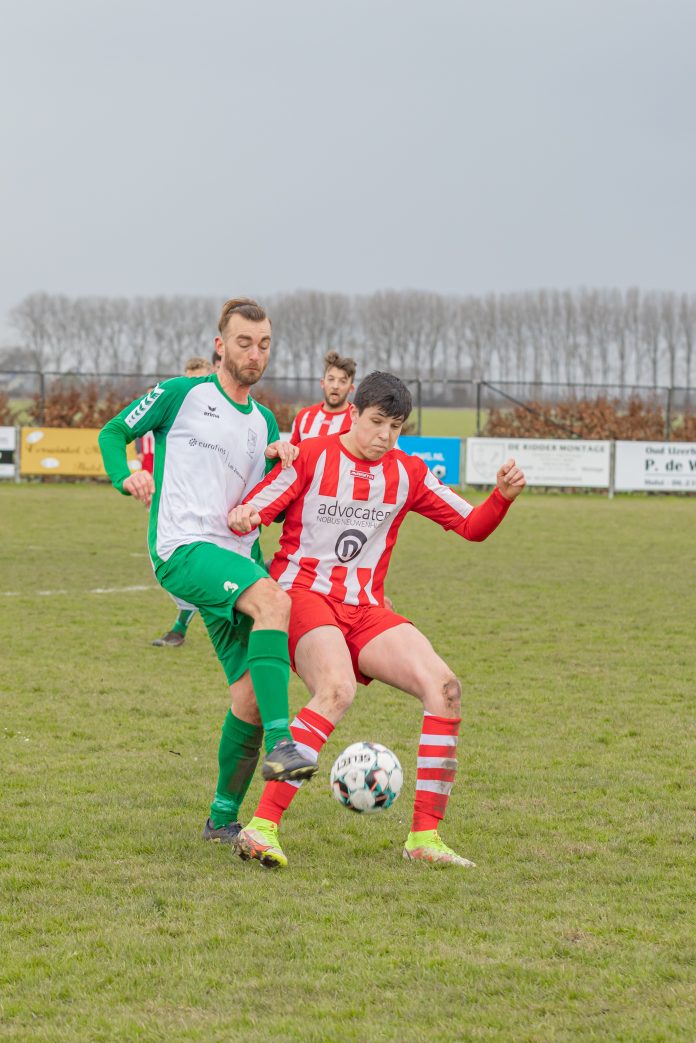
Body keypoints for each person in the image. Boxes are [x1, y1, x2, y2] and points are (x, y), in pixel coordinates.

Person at [227, 371, 526, 869]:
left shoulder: (407, 471)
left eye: (396, 426)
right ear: (354, 413)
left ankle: (424, 840)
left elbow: (472, 526)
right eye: (376, 422)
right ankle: (261, 828)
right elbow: (260, 503)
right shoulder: (313, 455)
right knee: (337, 690)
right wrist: (246, 516)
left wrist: (501, 497)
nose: (385, 436)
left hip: (366, 609)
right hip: (304, 596)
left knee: (446, 689)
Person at [98, 297, 319, 817]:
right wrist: (123, 474)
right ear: (220, 346)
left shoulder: (265, 422)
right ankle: (282, 744)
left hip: (235, 558)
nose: (255, 353)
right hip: (182, 548)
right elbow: (114, 432)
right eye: (244, 342)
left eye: (264, 344)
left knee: (248, 694)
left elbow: (262, 504)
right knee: (272, 603)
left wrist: (283, 462)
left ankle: (222, 820)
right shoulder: (181, 394)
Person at [151, 356, 214, 648]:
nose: (194, 385)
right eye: (189, 378)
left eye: (199, 378)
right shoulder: (176, 411)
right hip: (178, 508)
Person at [289, 350, 356, 444]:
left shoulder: (357, 420)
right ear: (322, 383)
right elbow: (292, 454)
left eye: (342, 381)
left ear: (351, 388)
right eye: (331, 379)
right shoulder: (303, 416)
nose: (335, 386)